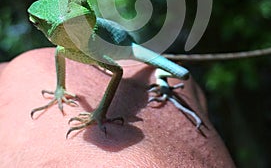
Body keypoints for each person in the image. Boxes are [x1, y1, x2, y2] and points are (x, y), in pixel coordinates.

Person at [0, 48, 235, 167]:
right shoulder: (58, 50)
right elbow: (62, 52)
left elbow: (118, 70)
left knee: (179, 73)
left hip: (129, 48)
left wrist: (99, 113)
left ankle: (163, 80)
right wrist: (59, 89)